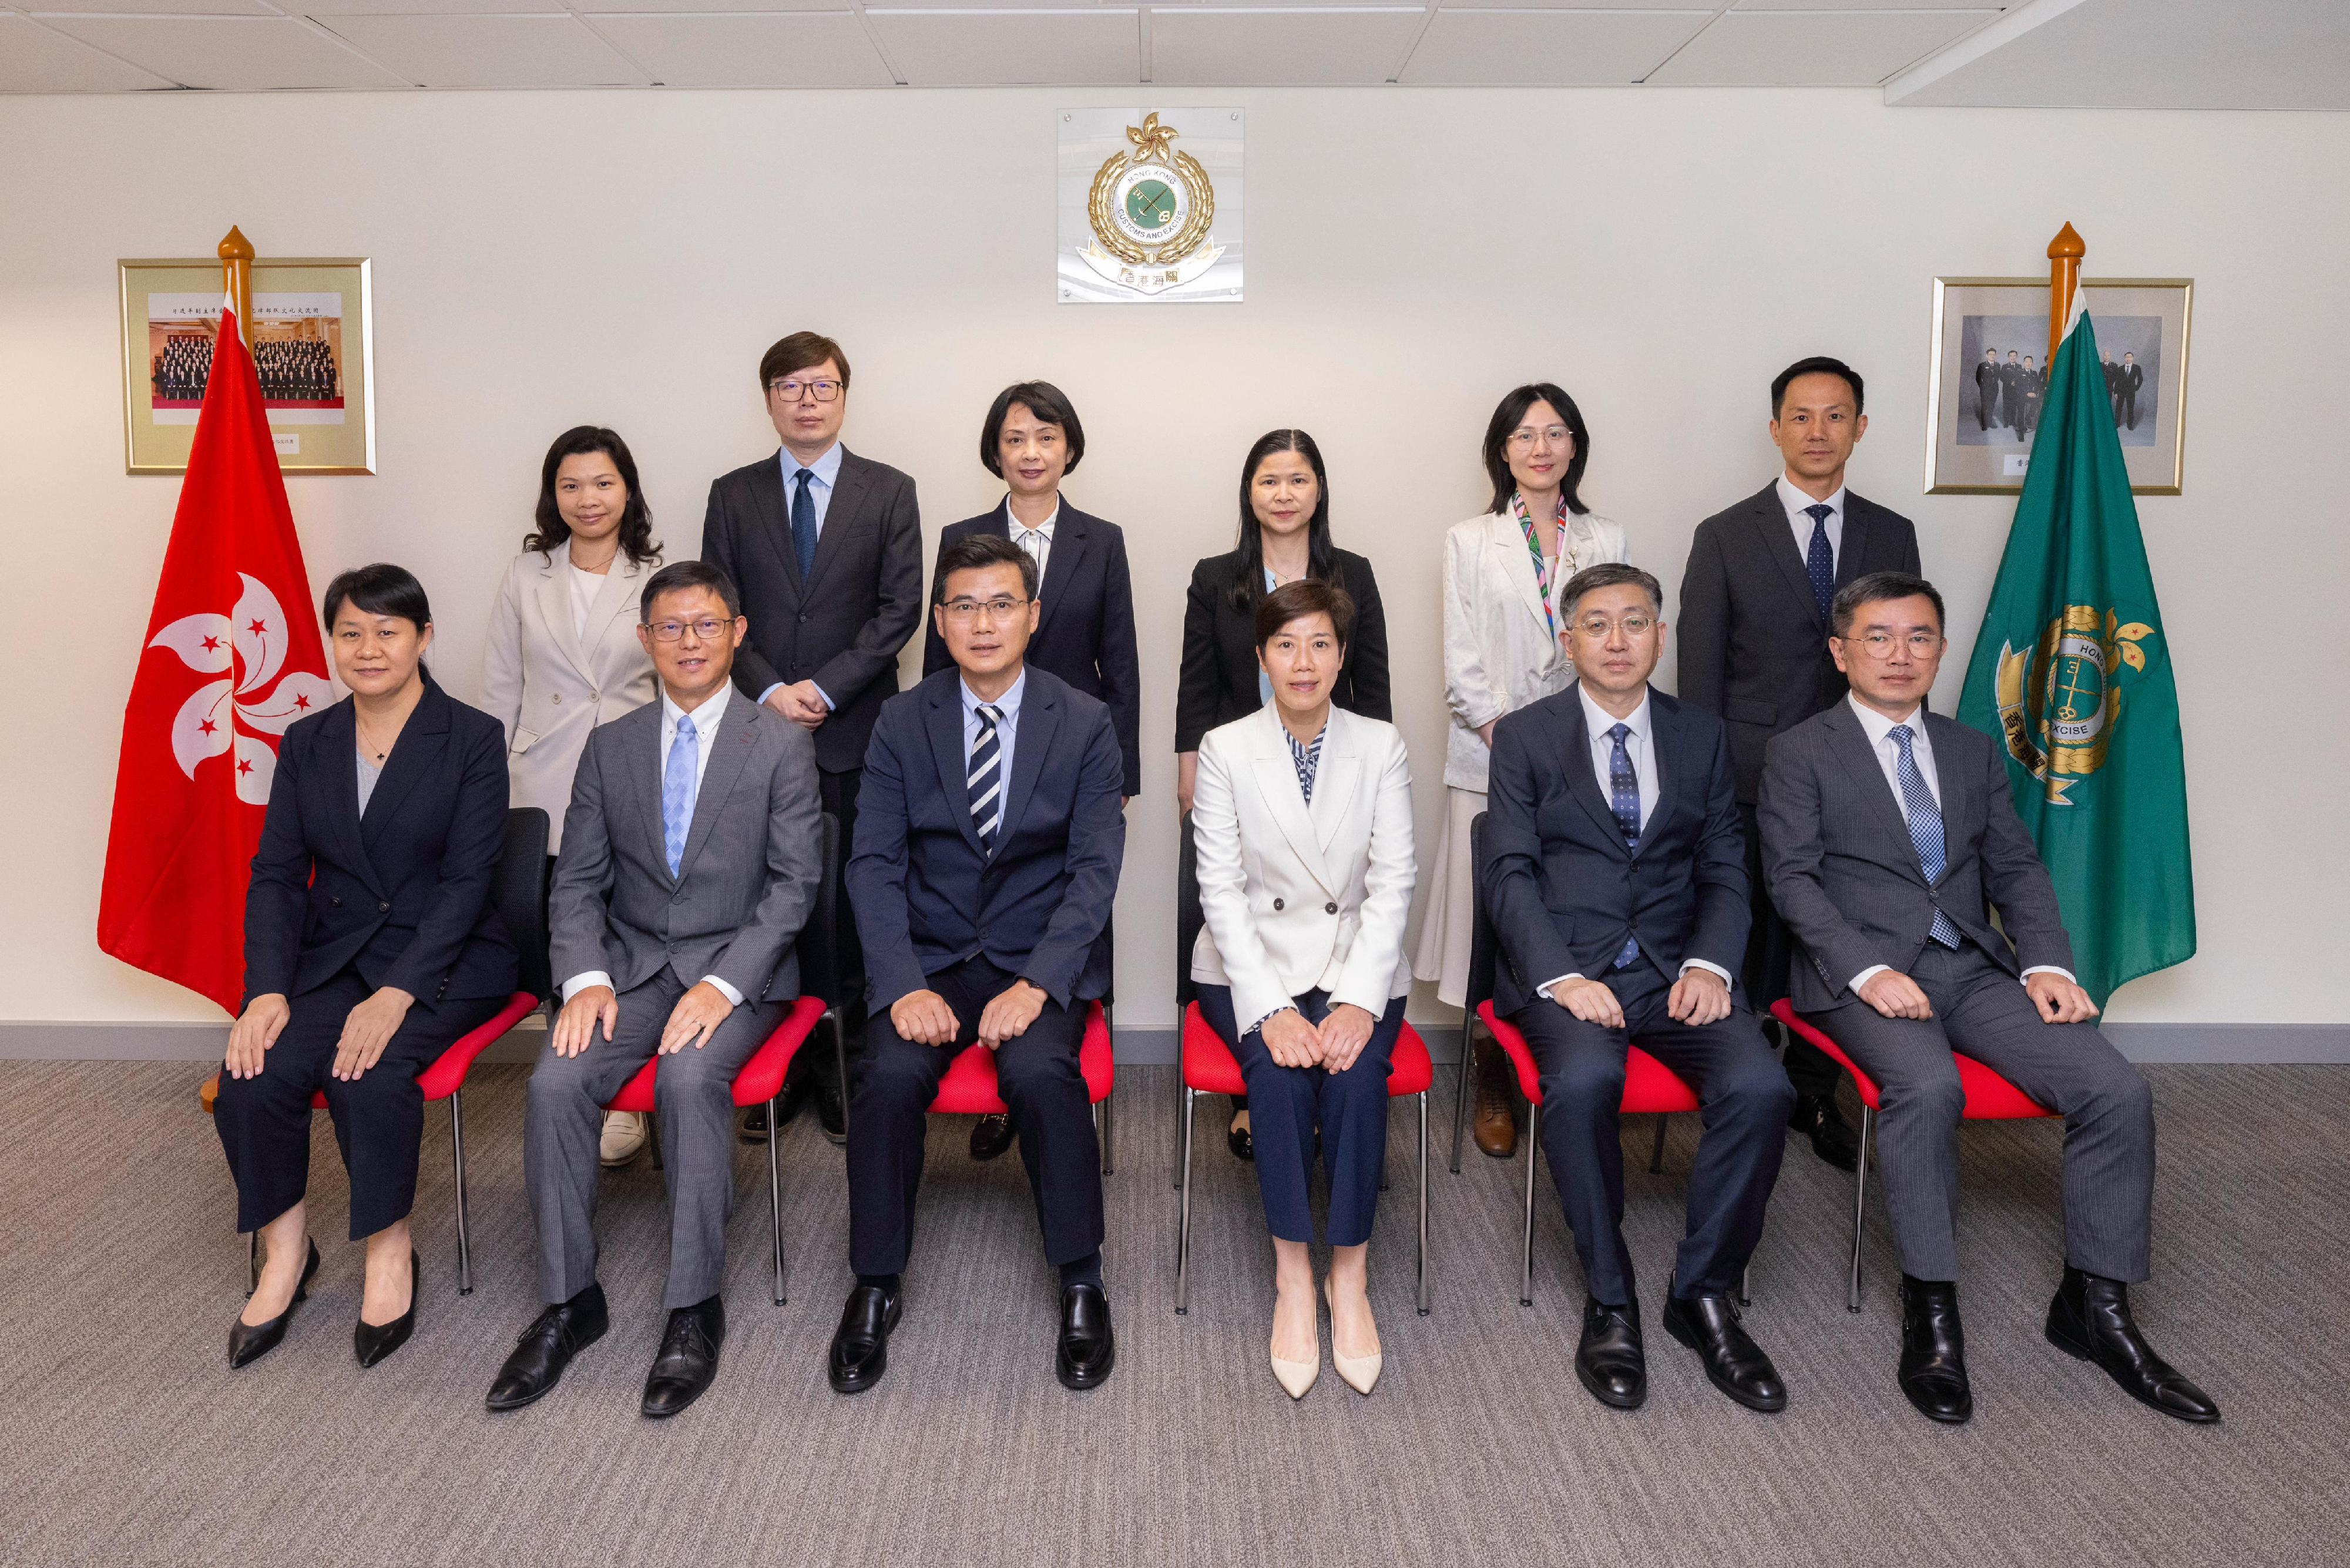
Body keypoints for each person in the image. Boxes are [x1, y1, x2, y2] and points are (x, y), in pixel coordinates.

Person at [1759, 571, 2218, 1429]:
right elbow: (1792, 883)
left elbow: (2015, 868)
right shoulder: (1802, 752)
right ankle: (1932, 1310)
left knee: (2117, 1090)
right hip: (1855, 975)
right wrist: (1866, 971)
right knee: (1929, 1089)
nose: (1901, 655)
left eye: (1920, 637)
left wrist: (2047, 963)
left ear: (1939, 647)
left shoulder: (1971, 749)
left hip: (1971, 966)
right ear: (1841, 651)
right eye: (1879, 638)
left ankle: (2097, 1306)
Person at [487, 561, 821, 1419]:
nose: (689, 642)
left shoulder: (778, 741)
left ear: (737, 633)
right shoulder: (613, 745)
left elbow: (792, 886)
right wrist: (587, 978)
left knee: (686, 1078)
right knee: (557, 1080)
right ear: (645, 641)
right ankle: (571, 1301)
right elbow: (578, 882)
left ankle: (692, 1305)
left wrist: (721, 985)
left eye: (706, 625)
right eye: (670, 628)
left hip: (737, 975)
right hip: (630, 970)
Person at [1483, 563, 1795, 1415]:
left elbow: (1728, 868)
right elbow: (1508, 874)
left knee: (1763, 1087)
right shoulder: (1526, 737)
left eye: (1635, 623)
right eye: (1597, 624)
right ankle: (1610, 1293)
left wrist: (1711, 964)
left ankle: (1702, 1292)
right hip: (1569, 969)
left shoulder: (1703, 736)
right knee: (1583, 1082)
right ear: (1568, 640)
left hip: (1674, 971)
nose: (1617, 641)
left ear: (1661, 635)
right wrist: (1563, 976)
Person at [829, 533, 1124, 1396]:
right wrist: (904, 983)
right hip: (930, 958)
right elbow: (873, 864)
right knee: (884, 1075)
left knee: (1040, 1074)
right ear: (941, 620)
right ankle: (875, 1282)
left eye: (1001, 604)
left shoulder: (1083, 721)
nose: (983, 622)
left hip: (1038, 958)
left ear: (1033, 616)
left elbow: (1095, 869)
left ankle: (1081, 1277)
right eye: (963, 605)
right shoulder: (901, 719)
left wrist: (1039, 982)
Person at [216, 564, 516, 1371]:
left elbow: (466, 884)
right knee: (252, 1070)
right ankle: (286, 1251)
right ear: (332, 644)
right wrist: (267, 989)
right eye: (351, 632)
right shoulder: (308, 741)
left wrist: (397, 993)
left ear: (423, 637)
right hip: (336, 954)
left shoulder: (471, 738)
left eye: (388, 631)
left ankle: (390, 1250)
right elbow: (277, 876)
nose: (369, 647)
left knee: (368, 1076)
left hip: (443, 956)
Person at [1677, 356, 1921, 1175]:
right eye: (1802, 416)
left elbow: (1900, 659)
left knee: (1836, 932)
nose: (1819, 432)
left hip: (1856, 775)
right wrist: (1704, 786)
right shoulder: (1723, 534)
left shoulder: (1893, 533)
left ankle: (1817, 1088)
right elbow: (1700, 670)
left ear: (1859, 426)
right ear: (1775, 428)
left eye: (1836, 415)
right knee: (1747, 931)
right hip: (1747, 776)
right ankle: (1743, 1084)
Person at [1191, 580, 1416, 1398]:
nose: (1304, 661)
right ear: (1260, 659)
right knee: (1280, 1075)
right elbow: (1218, 892)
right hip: (1251, 964)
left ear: (1342, 656)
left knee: (1356, 1073)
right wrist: (1273, 1008)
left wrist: (1358, 998)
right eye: (1286, 645)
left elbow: (1394, 883)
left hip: (1359, 960)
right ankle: (1293, 1274)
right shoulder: (1226, 748)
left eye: (1321, 643)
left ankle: (1347, 1275)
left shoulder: (1381, 745)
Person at [702, 331, 922, 1143]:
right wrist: (771, 688)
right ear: (769, 399)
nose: (807, 399)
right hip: (757, 728)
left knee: (849, 902)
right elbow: (717, 608)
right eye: (791, 386)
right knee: (770, 900)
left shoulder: (889, 490)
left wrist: (824, 689)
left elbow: (900, 611)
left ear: (843, 395)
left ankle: (846, 1062)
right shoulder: (733, 494)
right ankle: (783, 1060)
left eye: (822, 386)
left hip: (855, 730)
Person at [924, 380, 1141, 1165]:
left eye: (1045, 437)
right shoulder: (962, 534)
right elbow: (934, 661)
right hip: (982, 751)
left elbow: (1119, 663)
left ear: (1069, 448)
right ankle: (1003, 1086)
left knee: (1078, 894)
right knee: (978, 898)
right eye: (1015, 439)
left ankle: (1056, 1068)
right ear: (997, 451)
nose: (1030, 452)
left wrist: (1123, 772)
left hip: (1073, 759)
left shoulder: (1101, 539)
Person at [1419, 384, 1627, 1161]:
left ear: (1574, 447)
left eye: (1556, 433)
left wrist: (1566, 744)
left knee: (1573, 908)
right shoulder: (1469, 540)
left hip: (1586, 760)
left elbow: (1615, 646)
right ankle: (1491, 1071)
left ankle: (1568, 1057)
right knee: (1489, 917)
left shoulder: (1608, 537)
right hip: (1492, 756)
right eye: (1524, 435)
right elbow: (1461, 660)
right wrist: (1520, 743)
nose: (1540, 448)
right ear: (1502, 449)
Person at [1176, 429, 1390, 1160]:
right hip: (1236, 767)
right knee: (1234, 907)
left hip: (1332, 765)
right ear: (1250, 493)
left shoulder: (1354, 572)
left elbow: (1375, 686)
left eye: (1298, 479)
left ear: (1318, 490)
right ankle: (1253, 1087)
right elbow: (1197, 682)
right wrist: (1189, 767)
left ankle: (1324, 1081)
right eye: (1269, 481)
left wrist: (1372, 769)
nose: (1284, 494)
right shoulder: (1215, 575)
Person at [482, 426, 663, 1172]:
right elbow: (500, 687)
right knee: (565, 926)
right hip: (545, 774)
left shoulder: (655, 572)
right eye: (571, 485)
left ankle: (625, 1093)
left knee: (633, 923)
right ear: (553, 495)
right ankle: (576, 1069)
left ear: (627, 489)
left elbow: (673, 682)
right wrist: (490, 789)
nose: (587, 499)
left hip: (633, 771)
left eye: (602, 482)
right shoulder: (527, 574)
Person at [1973, 348, 2002, 432]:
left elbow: (1997, 377)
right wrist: (1982, 387)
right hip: (1985, 389)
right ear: (1987, 355)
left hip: (1994, 389)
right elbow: (1978, 378)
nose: (1992, 356)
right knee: (1985, 406)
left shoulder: (1997, 365)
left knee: (1992, 406)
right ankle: (1984, 424)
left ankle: (1990, 423)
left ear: (1995, 356)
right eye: (1990, 354)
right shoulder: (1982, 365)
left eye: (1994, 355)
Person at [2019, 356, 2043, 440]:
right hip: (2022, 395)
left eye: (2030, 362)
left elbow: (2038, 385)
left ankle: (2028, 417)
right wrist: (2027, 393)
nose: (2028, 364)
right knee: (2022, 409)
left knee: (2038, 403)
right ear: (2024, 363)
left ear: (2032, 364)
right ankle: (2021, 434)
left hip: (2032, 395)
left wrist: (2035, 393)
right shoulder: (2019, 372)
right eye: (2027, 362)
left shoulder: (2034, 373)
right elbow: (2018, 386)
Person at [2119, 351, 2144, 429]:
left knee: (2130, 408)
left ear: (2132, 358)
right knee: (2119, 408)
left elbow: (2140, 379)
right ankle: (2117, 423)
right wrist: (2116, 392)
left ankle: (2130, 424)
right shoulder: (2120, 368)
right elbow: (2118, 381)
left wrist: (2136, 388)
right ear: (2125, 358)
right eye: (2127, 357)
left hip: (2131, 391)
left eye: (2130, 357)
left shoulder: (2137, 368)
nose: (2128, 359)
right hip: (2121, 391)